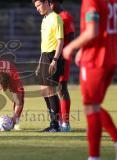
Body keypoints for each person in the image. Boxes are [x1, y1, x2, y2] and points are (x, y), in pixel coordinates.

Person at [63, 0, 117, 159]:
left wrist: (71, 47)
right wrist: (83, 50)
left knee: (91, 108)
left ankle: (94, 157)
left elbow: (92, 31)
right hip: (110, 57)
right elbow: (103, 29)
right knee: (94, 107)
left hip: (95, 60)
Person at [33, 0, 64, 132]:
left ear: (47, 3)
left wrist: (55, 60)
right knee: (44, 91)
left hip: (52, 56)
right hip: (44, 56)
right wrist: (40, 62)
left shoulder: (56, 18)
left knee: (50, 90)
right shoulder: (45, 19)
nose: (38, 9)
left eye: (39, 5)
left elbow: (60, 41)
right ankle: (53, 122)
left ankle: (55, 125)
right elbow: (44, 43)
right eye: (36, 7)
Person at [49, 0, 75, 132]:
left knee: (61, 88)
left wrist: (64, 55)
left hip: (62, 58)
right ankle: (58, 122)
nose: (50, 6)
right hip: (54, 57)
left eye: (52, 3)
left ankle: (65, 123)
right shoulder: (52, 17)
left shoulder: (65, 16)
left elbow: (71, 36)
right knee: (54, 89)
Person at [0, 60, 24, 131]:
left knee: (20, 96)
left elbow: (19, 103)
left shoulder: (14, 79)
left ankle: (16, 122)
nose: (3, 90)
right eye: (1, 87)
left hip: (10, 71)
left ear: (9, 83)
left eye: (5, 87)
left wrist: (15, 116)